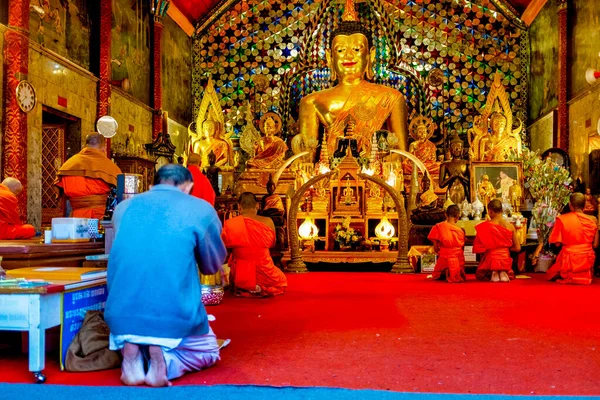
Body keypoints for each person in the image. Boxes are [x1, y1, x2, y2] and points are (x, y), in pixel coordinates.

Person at [105, 164, 227, 387]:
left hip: (118, 315)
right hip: (174, 317)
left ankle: (132, 352)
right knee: (209, 350)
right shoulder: (201, 209)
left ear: (153, 184)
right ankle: (166, 360)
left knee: (136, 309)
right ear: (188, 186)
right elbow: (211, 266)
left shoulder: (123, 208)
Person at [298, 0, 407, 161]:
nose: (349, 56)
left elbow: (401, 155)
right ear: (330, 57)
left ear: (371, 55)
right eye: (340, 50)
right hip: (329, 178)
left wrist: (375, 170)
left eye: (357, 49)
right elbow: (306, 160)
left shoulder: (391, 98)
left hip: (378, 178)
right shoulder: (312, 102)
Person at [222, 192, 287, 297]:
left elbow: (225, 246)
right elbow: (272, 243)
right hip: (265, 270)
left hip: (241, 272)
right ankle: (258, 287)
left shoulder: (231, 224)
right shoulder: (268, 221)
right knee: (281, 280)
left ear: (239, 206)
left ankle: (246, 286)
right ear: (257, 205)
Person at [55, 133, 122, 219]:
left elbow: (61, 193)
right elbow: (119, 194)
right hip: (100, 217)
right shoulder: (109, 166)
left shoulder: (68, 164)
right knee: (96, 233)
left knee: (79, 232)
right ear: (104, 147)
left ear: (85, 145)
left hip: (75, 218)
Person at [546, 193, 599, 285]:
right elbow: (595, 245)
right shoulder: (593, 220)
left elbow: (556, 243)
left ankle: (568, 274)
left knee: (550, 274)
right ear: (585, 205)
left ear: (570, 205)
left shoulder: (562, 219)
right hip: (586, 259)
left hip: (569, 260)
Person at [473, 199, 521, 282]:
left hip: (490, 261)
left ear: (490, 211)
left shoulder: (484, 227)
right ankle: (502, 271)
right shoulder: (510, 226)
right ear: (501, 210)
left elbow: (478, 248)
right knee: (502, 258)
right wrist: (504, 250)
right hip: (505, 259)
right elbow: (517, 248)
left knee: (482, 271)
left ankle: (494, 271)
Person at [427, 205, 466, 282]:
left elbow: (436, 248)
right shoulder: (461, 230)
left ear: (445, 214)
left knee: (441, 265)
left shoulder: (438, 227)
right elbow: (462, 248)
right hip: (458, 259)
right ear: (458, 216)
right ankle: (453, 271)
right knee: (458, 258)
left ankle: (446, 270)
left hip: (444, 259)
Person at [439, 134, 469, 205]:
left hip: (463, 191)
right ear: (450, 149)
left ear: (462, 149)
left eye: (459, 147)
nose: (456, 149)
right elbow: (441, 185)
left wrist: (462, 177)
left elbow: (471, 182)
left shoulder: (466, 163)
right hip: (451, 191)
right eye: (454, 147)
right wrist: (451, 177)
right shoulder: (445, 164)